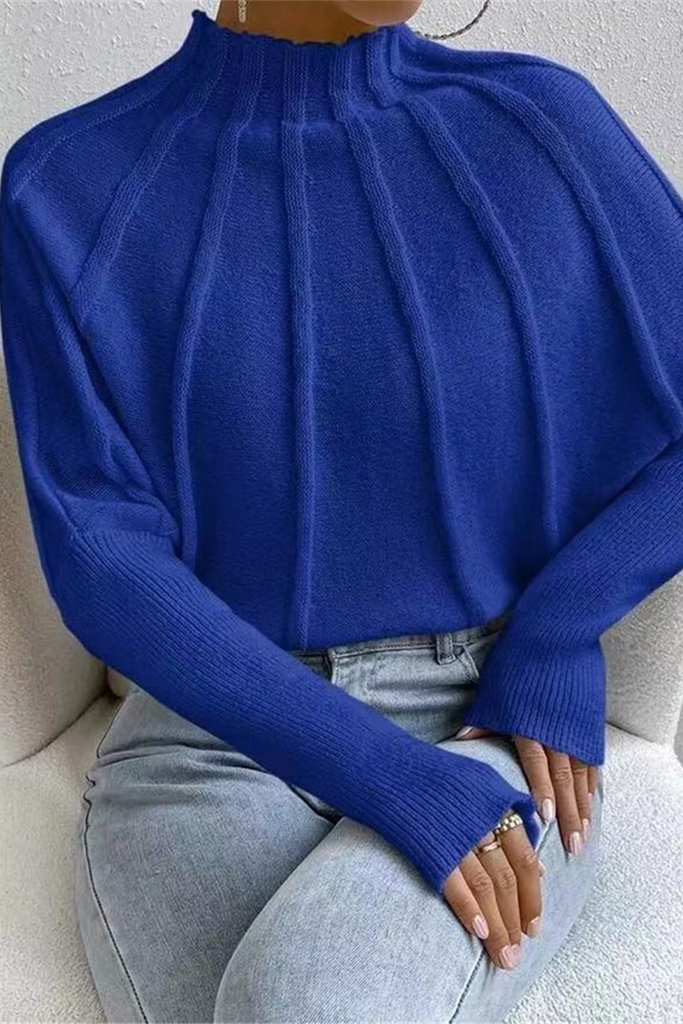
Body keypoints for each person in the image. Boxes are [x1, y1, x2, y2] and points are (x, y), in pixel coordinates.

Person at [2, 0, 683, 1019]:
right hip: (211, 732)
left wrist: (557, 627)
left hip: (483, 711)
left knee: (297, 1002)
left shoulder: (543, 126)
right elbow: (101, 555)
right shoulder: (65, 184)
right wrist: (385, 777)